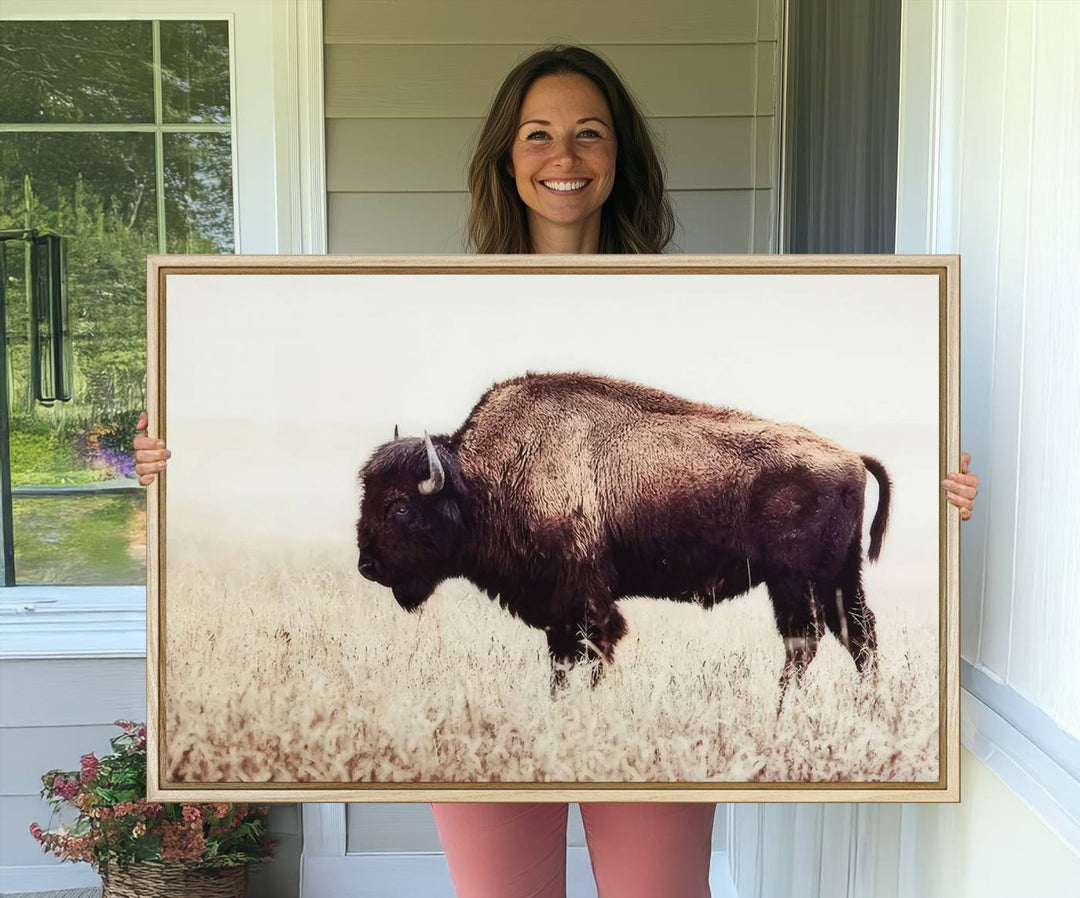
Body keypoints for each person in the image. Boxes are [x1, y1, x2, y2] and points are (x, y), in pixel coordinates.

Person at [134, 45, 980, 898]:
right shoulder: (428, 305)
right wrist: (177, 467)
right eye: (538, 135)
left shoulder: (698, 302)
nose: (563, 157)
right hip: (505, 745)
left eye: (589, 134)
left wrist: (939, 493)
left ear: (619, 159)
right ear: (507, 158)